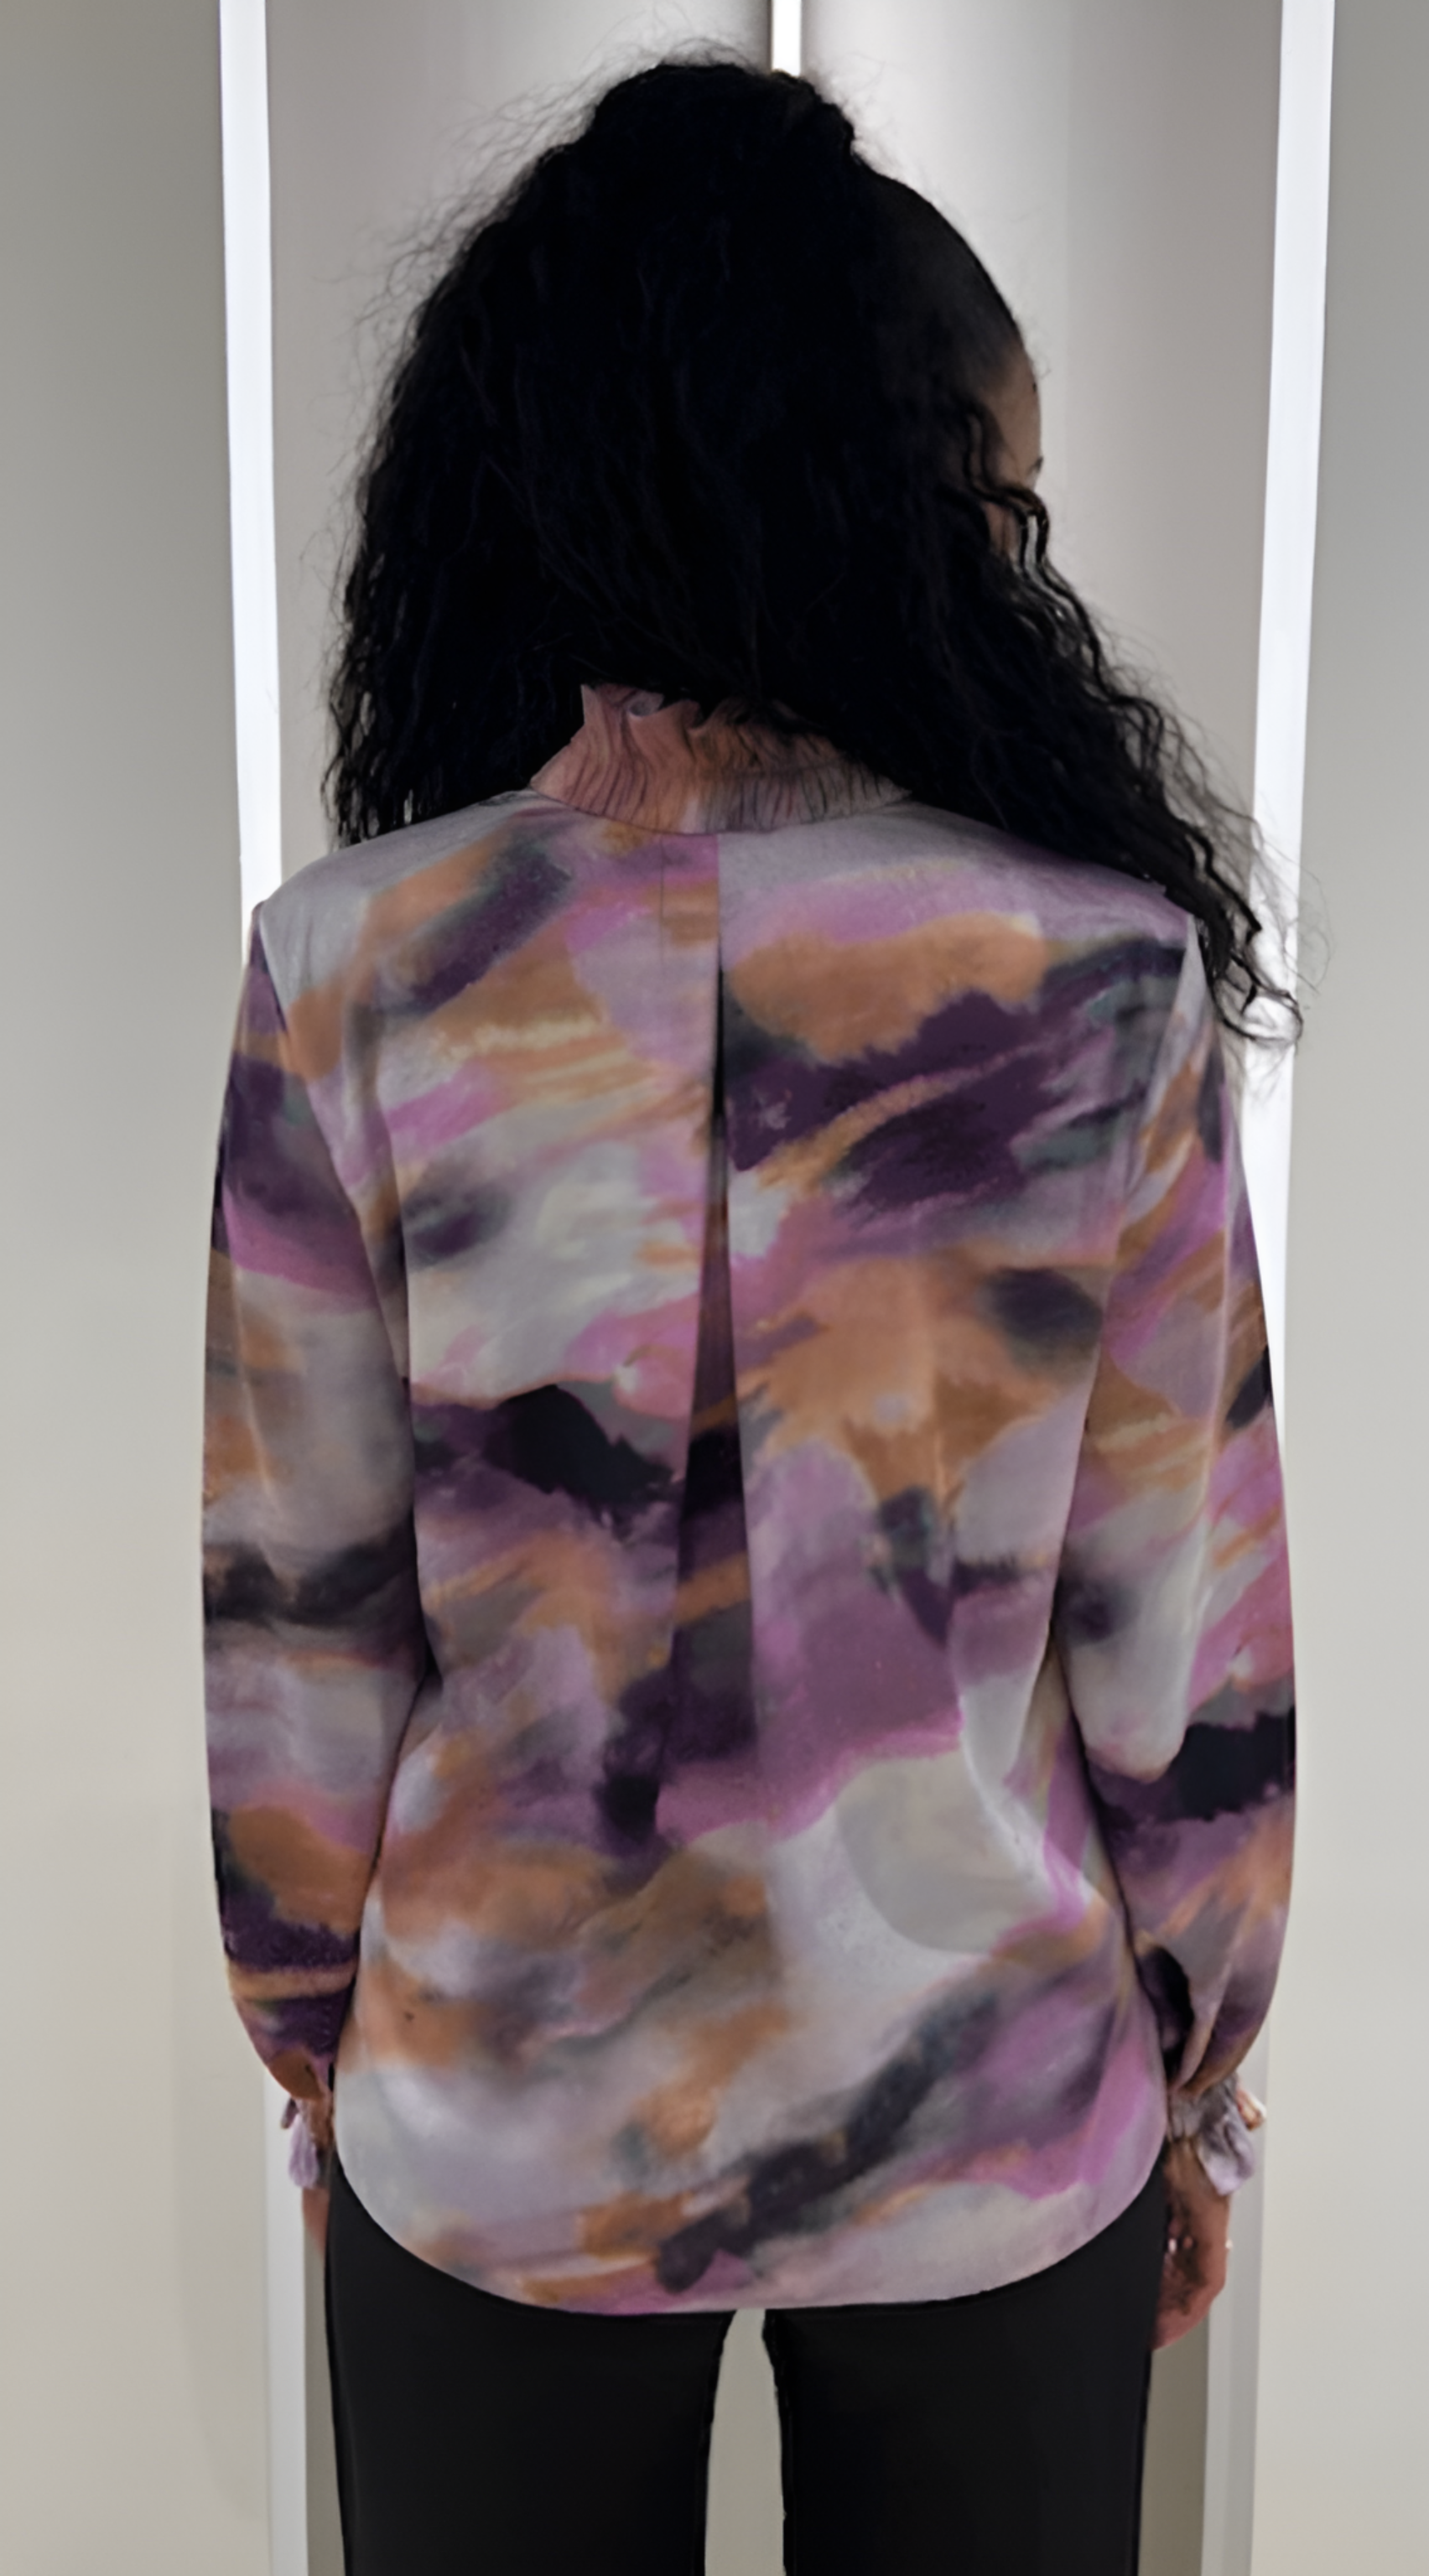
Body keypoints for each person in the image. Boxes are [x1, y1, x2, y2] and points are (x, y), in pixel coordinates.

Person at [204, 57, 1293, 2576]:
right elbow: (1185, 1634)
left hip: (498, 2108)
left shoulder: (356, 967)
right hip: (989, 2094)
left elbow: (300, 1618)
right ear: (909, 505)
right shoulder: (1101, 975)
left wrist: (319, 2042)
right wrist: (1196, 2064)